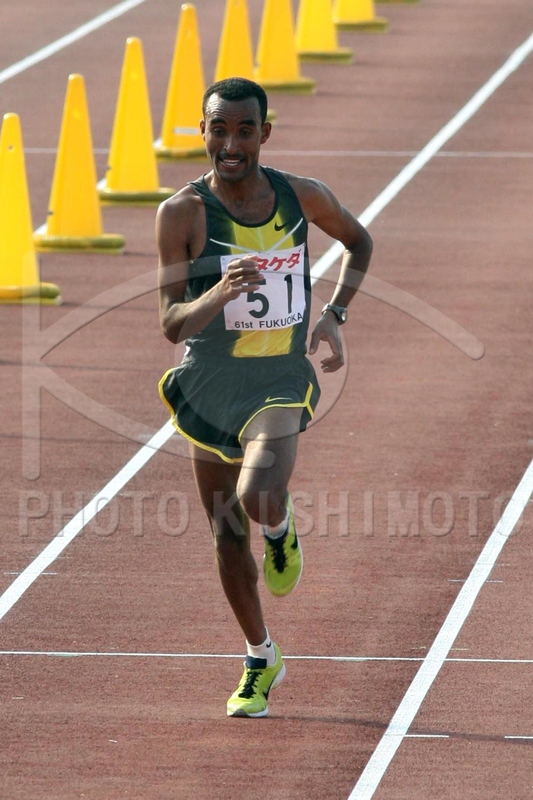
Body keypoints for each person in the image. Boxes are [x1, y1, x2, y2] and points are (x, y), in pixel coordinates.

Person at [157, 77, 372, 718]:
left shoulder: (300, 196)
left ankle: (278, 529)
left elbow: (359, 241)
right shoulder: (181, 214)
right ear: (202, 131)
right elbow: (171, 323)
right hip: (209, 382)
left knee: (256, 495)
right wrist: (219, 293)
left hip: (279, 376)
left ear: (264, 134)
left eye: (244, 130)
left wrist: (334, 313)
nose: (231, 144)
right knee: (227, 539)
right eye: (219, 129)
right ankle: (260, 657)